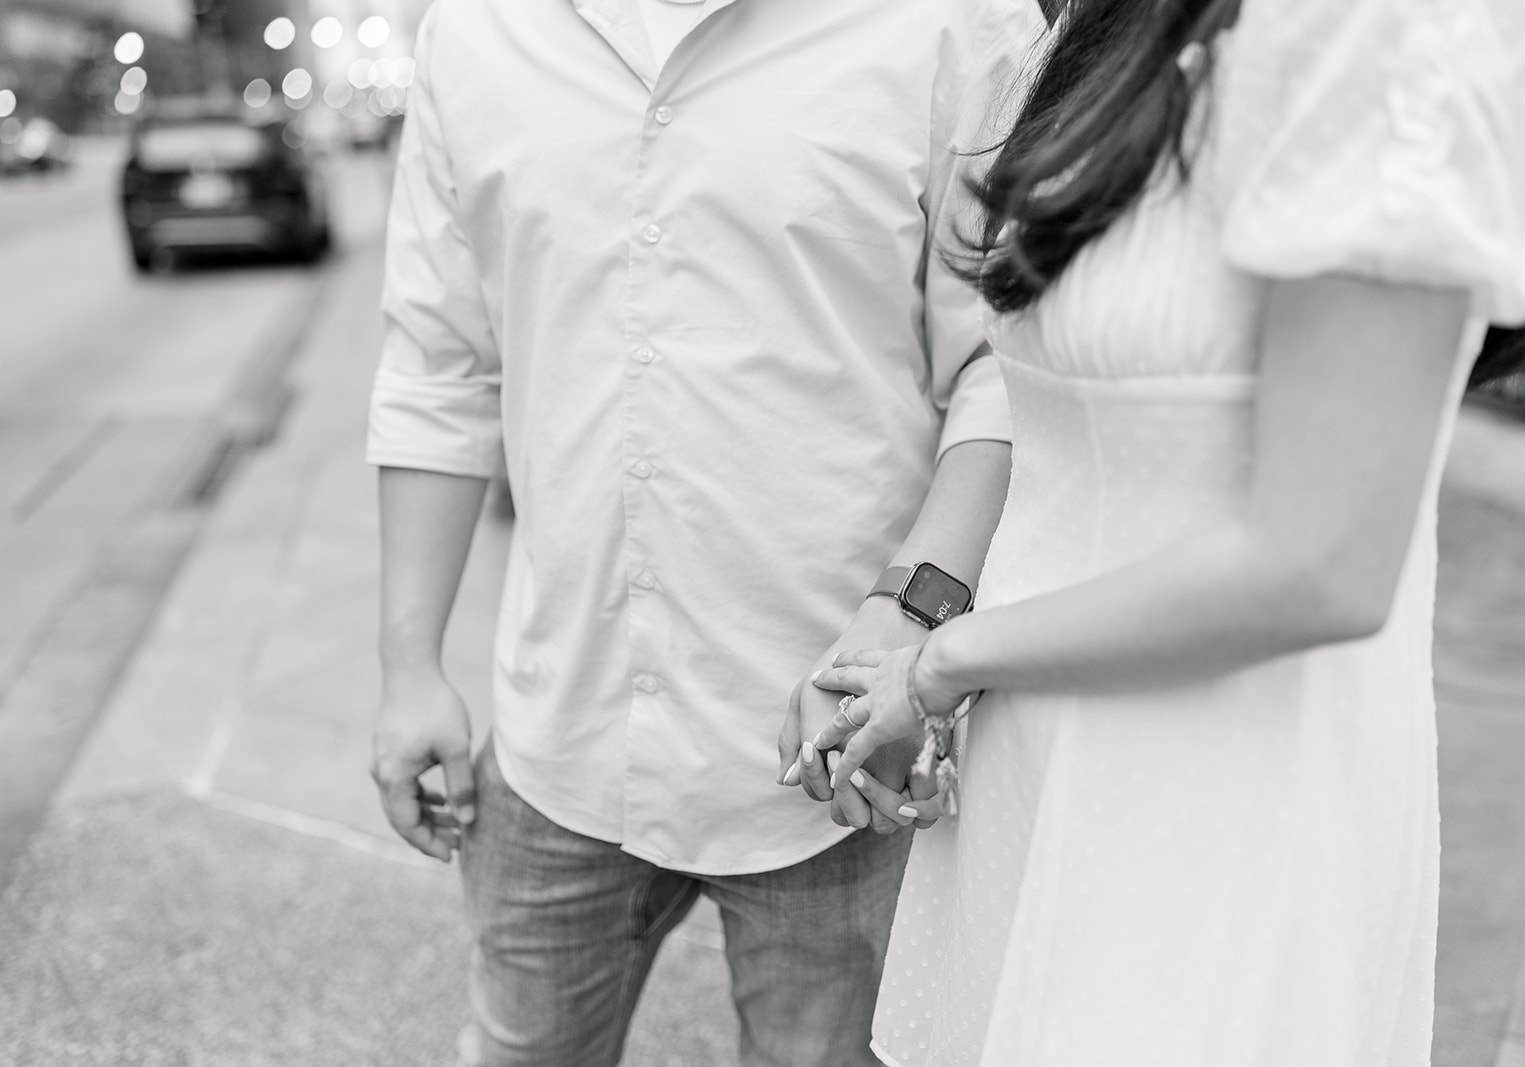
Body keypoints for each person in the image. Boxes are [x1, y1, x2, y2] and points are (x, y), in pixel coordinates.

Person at [800, 0, 1525, 1063]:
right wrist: (909, 623)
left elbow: (1320, 562)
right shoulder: (1111, 23)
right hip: (1032, 779)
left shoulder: (1397, 32)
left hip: (1223, 806)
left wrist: (942, 662)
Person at [364, 1, 1045, 1065]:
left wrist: (914, 613)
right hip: (560, 741)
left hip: (840, 753)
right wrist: (408, 663)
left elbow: (1002, 363)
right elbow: (437, 365)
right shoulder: (474, 30)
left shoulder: (952, 21)